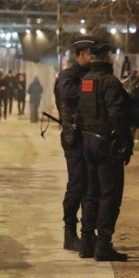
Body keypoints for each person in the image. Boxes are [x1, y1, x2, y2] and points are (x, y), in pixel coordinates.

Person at [78, 38, 134, 261]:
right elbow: (117, 115)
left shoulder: (86, 80)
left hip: (88, 141)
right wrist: (126, 142)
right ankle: (103, 245)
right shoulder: (110, 82)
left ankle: (86, 242)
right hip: (105, 144)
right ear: (108, 58)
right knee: (110, 194)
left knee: (92, 193)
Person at [53, 35, 95, 251]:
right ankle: (70, 232)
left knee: (90, 187)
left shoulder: (92, 75)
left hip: (90, 137)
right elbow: (68, 95)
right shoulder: (69, 76)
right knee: (77, 185)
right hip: (74, 137)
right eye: (91, 53)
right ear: (81, 54)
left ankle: (88, 232)